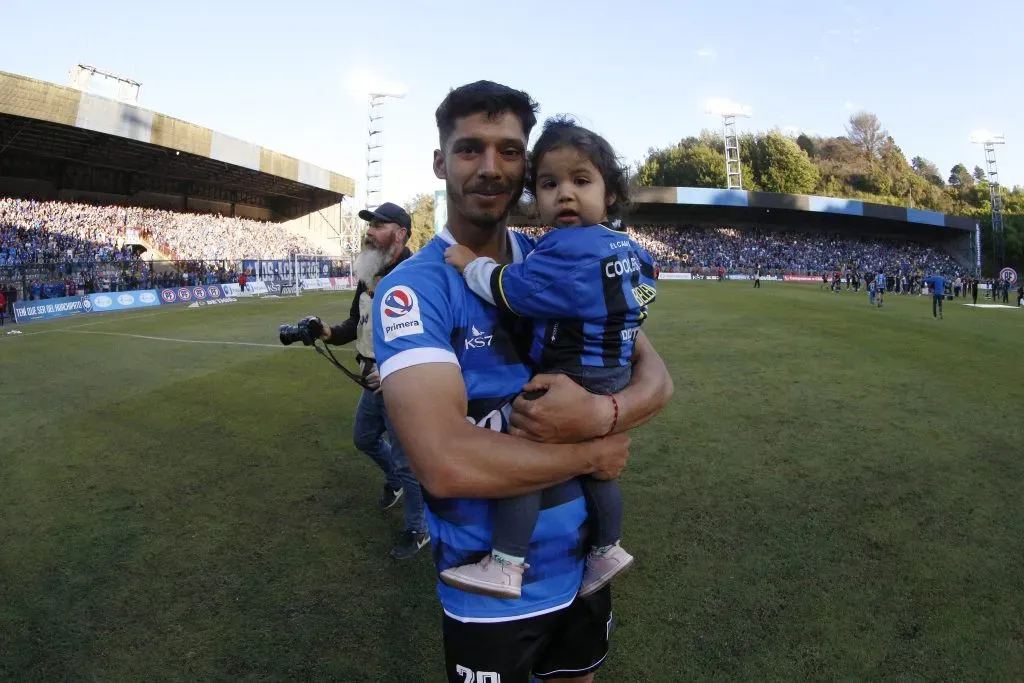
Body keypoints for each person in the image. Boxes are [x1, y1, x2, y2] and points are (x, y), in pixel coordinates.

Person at [372, 81, 673, 683]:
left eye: (509, 151)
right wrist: (594, 450)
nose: (490, 167)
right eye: (469, 149)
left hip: (581, 568)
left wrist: (601, 418)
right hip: (493, 597)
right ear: (440, 161)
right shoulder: (415, 288)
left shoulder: (556, 258)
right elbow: (445, 463)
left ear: (527, 167)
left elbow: (655, 375)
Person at [441, 117, 655, 600]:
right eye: (549, 183)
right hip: (613, 372)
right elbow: (642, 295)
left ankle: (506, 564)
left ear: (610, 192)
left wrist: (470, 264)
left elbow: (512, 290)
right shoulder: (626, 247)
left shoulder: (564, 248)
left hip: (571, 371)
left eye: (581, 181)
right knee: (597, 465)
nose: (564, 195)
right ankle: (607, 548)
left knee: (527, 455)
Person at [318, 202, 430, 560]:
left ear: (400, 234)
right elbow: (355, 325)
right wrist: (325, 332)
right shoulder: (370, 271)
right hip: (371, 381)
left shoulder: (418, 274)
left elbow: (433, 336)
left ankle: (418, 528)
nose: (370, 231)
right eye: (370, 224)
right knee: (364, 437)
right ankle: (394, 483)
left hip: (402, 384)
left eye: (379, 225)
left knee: (406, 461)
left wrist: (399, 369)